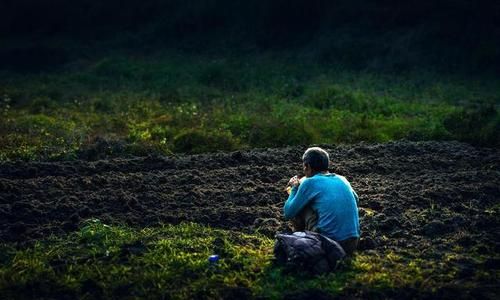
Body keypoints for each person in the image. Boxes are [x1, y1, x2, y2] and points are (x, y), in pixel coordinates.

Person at [284, 147, 360, 255]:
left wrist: (294, 188)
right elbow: (356, 199)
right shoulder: (343, 179)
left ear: (308, 166)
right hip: (352, 244)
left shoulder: (309, 182)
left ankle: (300, 241)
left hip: (329, 245)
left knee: (299, 206)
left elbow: (288, 213)